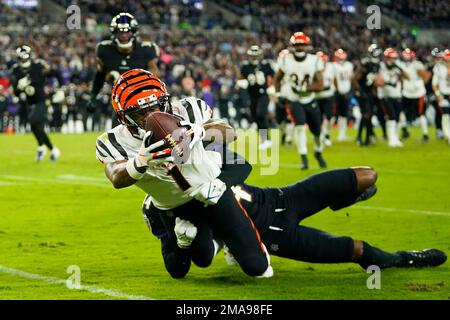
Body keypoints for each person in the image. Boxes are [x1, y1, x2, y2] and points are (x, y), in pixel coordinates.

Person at [96, 69, 272, 278]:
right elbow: (116, 177)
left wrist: (201, 131)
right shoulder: (114, 141)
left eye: (156, 106)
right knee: (196, 261)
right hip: (173, 203)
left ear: (166, 101)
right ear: (124, 117)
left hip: (208, 190)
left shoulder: (187, 109)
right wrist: (140, 160)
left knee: (257, 268)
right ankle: (185, 237)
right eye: (139, 112)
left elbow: (230, 133)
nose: (151, 116)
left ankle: (228, 239)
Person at [143, 165, 447, 278]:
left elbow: (237, 163)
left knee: (367, 177)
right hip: (277, 237)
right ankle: (405, 259)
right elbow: (198, 256)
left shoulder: (192, 170)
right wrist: (187, 241)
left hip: (282, 198)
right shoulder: (184, 216)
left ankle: (342, 201)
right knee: (356, 250)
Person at [90, 12, 160, 124]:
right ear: (114, 33)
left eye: (127, 32)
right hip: (121, 102)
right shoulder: (105, 50)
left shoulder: (147, 50)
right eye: (120, 32)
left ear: (133, 32)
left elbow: (155, 75)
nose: (123, 35)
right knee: (120, 131)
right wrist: (93, 96)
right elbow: (100, 75)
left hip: (145, 100)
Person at [274, 32, 327, 170]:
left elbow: (320, 83)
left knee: (317, 132)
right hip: (294, 99)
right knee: (299, 127)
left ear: (307, 46)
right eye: (297, 45)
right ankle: (303, 158)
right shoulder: (286, 60)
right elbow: (277, 78)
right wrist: (278, 93)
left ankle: (318, 152)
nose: (300, 48)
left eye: (302, 45)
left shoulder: (314, 60)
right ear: (292, 46)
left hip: (309, 99)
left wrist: (307, 88)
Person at [10, 45, 61, 161]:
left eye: (26, 57)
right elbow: (16, 92)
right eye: (22, 58)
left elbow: (56, 73)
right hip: (29, 103)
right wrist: (19, 87)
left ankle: (47, 149)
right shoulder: (16, 70)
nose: (24, 60)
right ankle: (47, 149)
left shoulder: (38, 66)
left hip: (42, 101)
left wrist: (60, 89)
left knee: (33, 121)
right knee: (35, 127)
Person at [237, 45, 275, 150]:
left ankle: (266, 140)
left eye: (256, 56)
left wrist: (272, 88)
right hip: (251, 95)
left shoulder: (266, 65)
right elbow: (240, 78)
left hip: (263, 94)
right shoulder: (245, 66)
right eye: (252, 56)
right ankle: (264, 140)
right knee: (256, 117)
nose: (254, 58)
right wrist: (241, 84)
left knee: (261, 114)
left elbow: (273, 77)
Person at [375, 48, 409, 147]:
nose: (391, 61)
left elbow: (408, 77)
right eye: (390, 58)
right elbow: (377, 82)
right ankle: (391, 139)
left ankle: (396, 138)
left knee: (397, 118)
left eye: (393, 58)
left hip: (396, 95)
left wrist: (399, 69)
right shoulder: (380, 67)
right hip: (385, 96)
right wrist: (388, 82)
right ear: (385, 58)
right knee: (391, 117)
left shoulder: (398, 66)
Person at [353, 44, 381, 146]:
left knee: (367, 116)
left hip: (370, 93)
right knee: (366, 115)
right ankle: (366, 139)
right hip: (363, 93)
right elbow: (355, 79)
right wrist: (360, 92)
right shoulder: (366, 63)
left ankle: (362, 137)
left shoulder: (377, 65)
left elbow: (374, 81)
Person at [401, 48, 431, 142]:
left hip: (418, 93)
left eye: (408, 58)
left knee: (421, 114)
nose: (406, 60)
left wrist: (418, 83)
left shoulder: (417, 65)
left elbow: (427, 75)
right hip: (406, 93)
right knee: (402, 112)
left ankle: (425, 134)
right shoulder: (401, 65)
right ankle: (404, 130)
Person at [333, 49, 354, 142]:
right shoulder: (333, 66)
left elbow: (351, 77)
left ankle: (342, 134)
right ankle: (332, 135)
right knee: (337, 114)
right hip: (337, 93)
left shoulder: (349, 65)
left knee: (344, 114)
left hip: (347, 92)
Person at [315, 51, 336, 147]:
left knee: (328, 117)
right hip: (317, 96)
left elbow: (333, 80)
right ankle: (320, 136)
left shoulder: (331, 68)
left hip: (328, 96)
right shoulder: (313, 69)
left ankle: (326, 135)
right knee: (318, 118)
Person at [432, 49, 450, 144]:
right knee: (445, 115)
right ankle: (448, 135)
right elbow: (434, 84)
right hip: (443, 94)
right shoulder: (438, 67)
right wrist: (438, 94)